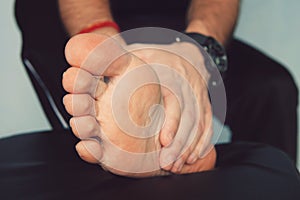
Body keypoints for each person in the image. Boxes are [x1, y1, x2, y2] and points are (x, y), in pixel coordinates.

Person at [0, 0, 298, 199]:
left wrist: (195, 50)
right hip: (76, 22)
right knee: (100, 126)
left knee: (273, 87)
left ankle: (170, 146)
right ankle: (136, 123)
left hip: (174, 18)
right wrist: (111, 54)